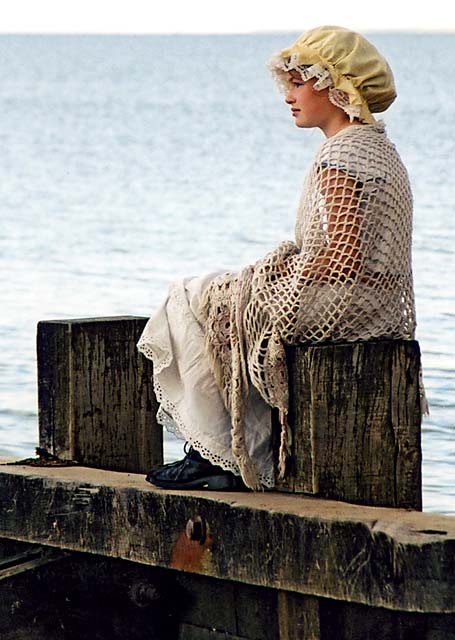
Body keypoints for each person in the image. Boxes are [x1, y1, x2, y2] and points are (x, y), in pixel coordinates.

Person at [137, 25, 419, 491]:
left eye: (299, 83)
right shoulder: (378, 147)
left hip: (341, 304)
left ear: (335, 85)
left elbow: (345, 255)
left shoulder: (340, 153)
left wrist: (286, 270)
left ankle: (221, 452)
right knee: (221, 295)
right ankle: (232, 448)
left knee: (190, 298)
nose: (289, 95)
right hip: (376, 304)